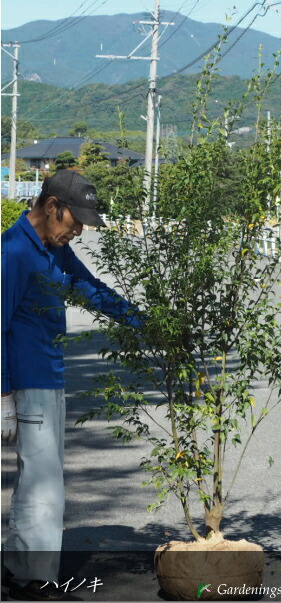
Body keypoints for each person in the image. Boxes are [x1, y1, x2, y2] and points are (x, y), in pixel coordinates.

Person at [1, 170, 141, 601]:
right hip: (26, 383)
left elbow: (90, 289)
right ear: (50, 207)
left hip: (50, 375)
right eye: (74, 220)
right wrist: (4, 395)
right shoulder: (13, 253)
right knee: (44, 481)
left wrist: (149, 325)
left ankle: (19, 564)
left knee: (41, 476)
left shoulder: (53, 249)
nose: (78, 230)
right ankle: (31, 577)